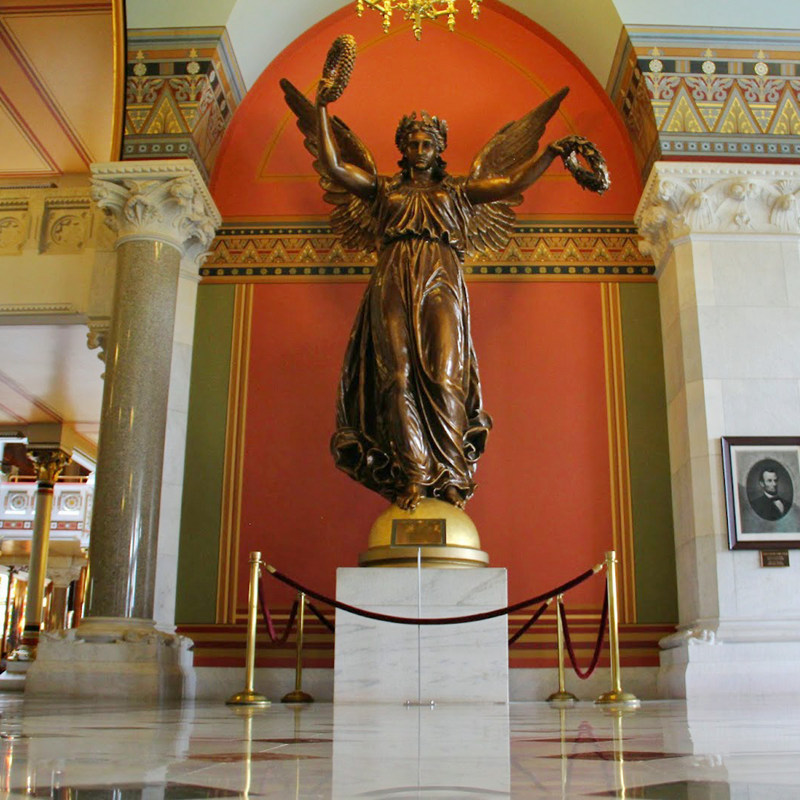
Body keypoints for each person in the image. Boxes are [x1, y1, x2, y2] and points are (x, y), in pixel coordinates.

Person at [314, 88, 575, 511]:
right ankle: (414, 476)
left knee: (443, 375)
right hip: (394, 280)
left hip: (442, 280)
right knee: (395, 377)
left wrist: (550, 153)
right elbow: (334, 166)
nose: (419, 150)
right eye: (412, 143)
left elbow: (510, 182)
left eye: (427, 143)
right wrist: (322, 106)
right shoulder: (382, 190)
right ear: (402, 148)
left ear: (439, 149)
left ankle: (452, 477)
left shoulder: (457, 191)